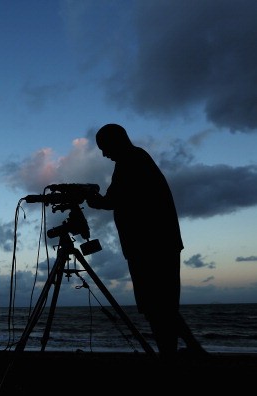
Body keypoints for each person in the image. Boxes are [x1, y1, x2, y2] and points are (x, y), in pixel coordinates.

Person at [86, 123, 207, 361]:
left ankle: (171, 355)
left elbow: (113, 200)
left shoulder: (131, 161)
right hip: (157, 244)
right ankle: (188, 349)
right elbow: (119, 199)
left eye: (104, 147)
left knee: (157, 307)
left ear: (115, 141)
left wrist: (91, 199)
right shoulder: (135, 159)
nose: (103, 154)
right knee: (162, 306)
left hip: (149, 247)